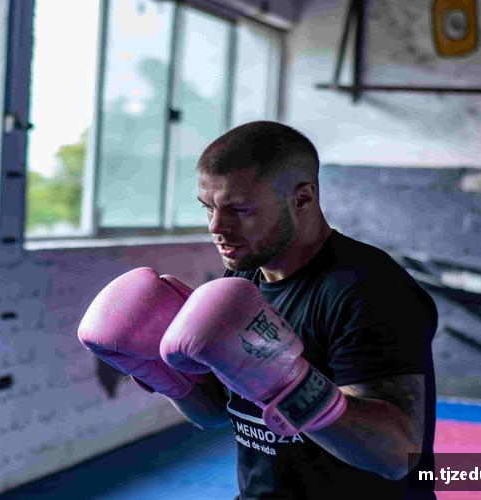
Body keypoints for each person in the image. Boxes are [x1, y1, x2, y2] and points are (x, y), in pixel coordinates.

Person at [78, 121, 437, 499]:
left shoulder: (368, 290)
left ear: (302, 198)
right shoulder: (243, 277)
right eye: (209, 208)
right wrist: (164, 374)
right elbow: (216, 413)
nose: (217, 227)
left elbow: (397, 455)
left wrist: (289, 386)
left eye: (240, 210)